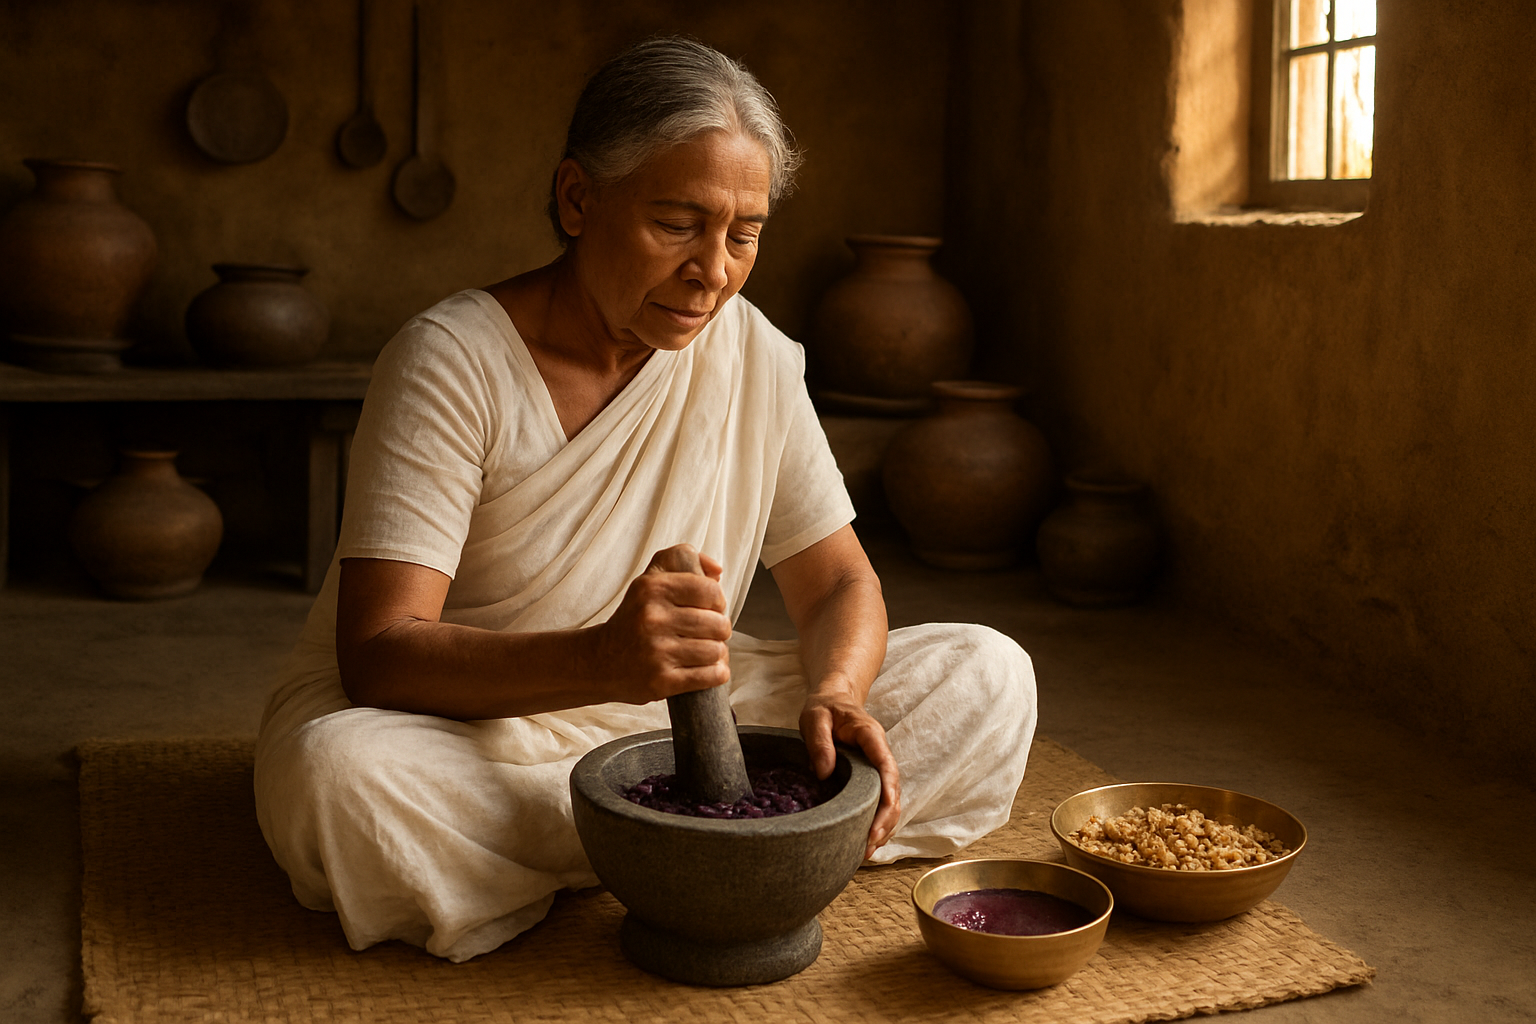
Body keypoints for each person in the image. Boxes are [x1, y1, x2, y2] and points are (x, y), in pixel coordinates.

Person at [254, 35, 1037, 963]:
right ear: (579, 199)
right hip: (463, 726)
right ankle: (741, 842)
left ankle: (656, 838)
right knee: (337, 782)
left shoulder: (754, 358)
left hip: (681, 713)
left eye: (743, 234)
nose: (713, 269)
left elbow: (836, 588)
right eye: (677, 223)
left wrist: (836, 691)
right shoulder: (449, 363)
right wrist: (605, 660)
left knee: (986, 675)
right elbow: (380, 655)